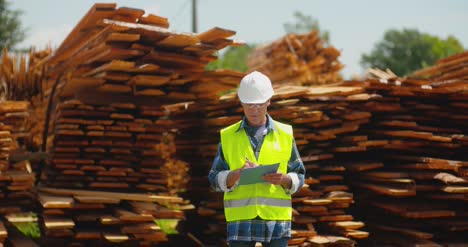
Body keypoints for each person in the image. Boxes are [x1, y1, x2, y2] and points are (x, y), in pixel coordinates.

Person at [208, 71, 306, 247]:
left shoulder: (285, 134)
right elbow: (214, 179)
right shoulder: (228, 136)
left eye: (259, 104)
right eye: (249, 105)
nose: (254, 110)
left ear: (269, 101)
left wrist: (284, 179)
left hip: (276, 220)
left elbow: (299, 175)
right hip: (241, 221)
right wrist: (237, 174)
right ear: (241, 103)